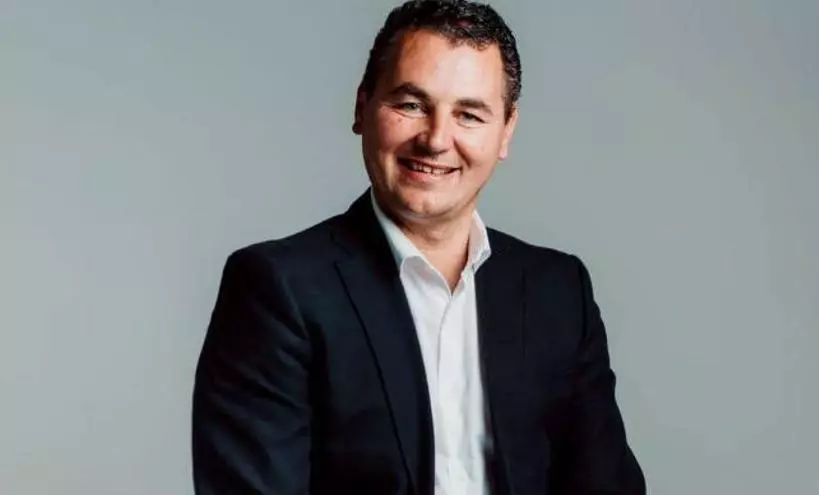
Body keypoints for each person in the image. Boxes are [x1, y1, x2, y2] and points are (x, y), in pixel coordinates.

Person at [191, 1, 645, 493]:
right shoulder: (277, 289)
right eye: (411, 105)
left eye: (469, 114)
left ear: (506, 132)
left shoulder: (558, 291)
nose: (436, 140)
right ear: (362, 106)